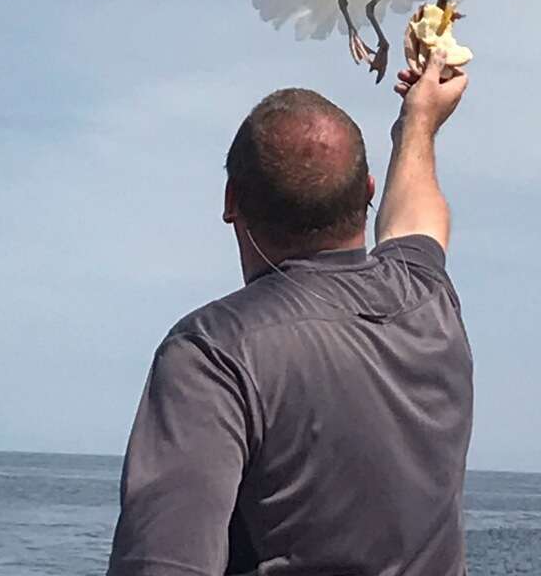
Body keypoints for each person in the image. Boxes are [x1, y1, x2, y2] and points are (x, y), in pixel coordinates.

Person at [107, 52, 472, 576]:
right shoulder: (426, 297)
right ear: (366, 192)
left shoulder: (212, 355)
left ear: (232, 199)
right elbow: (418, 213)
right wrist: (419, 120)